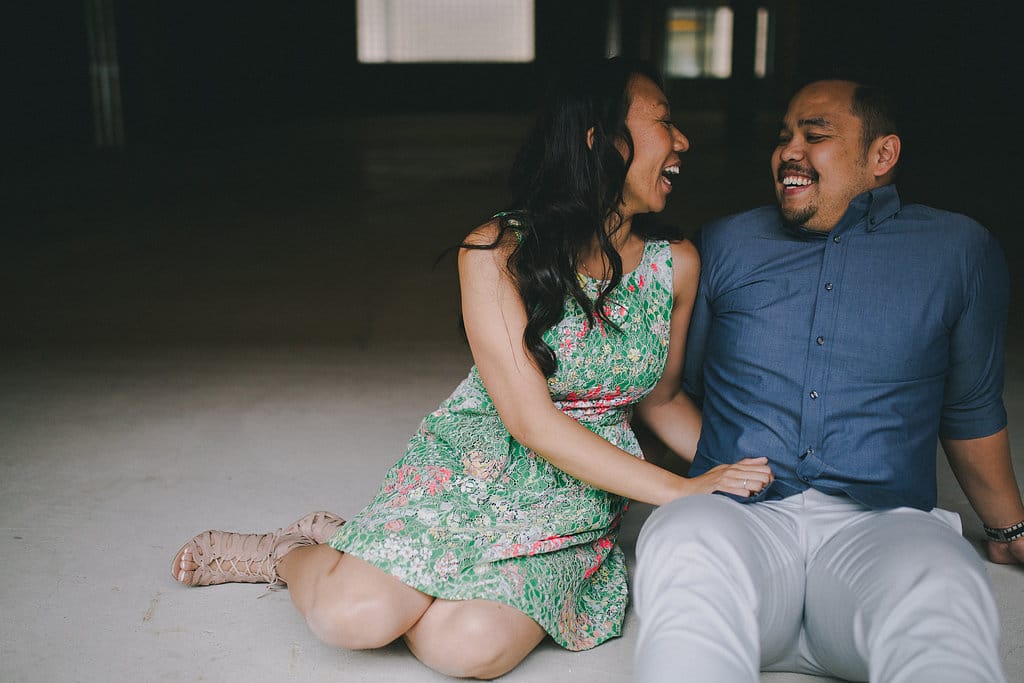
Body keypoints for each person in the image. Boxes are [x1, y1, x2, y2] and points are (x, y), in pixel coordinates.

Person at [169, 57, 773, 680]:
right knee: (353, 617)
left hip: (574, 498)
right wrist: (679, 490)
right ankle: (290, 551)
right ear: (602, 142)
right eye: (664, 121)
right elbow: (530, 422)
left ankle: (371, 558)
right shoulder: (496, 251)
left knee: (466, 647)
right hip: (472, 465)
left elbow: (662, 400)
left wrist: (752, 472)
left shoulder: (675, 264)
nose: (683, 141)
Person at [633, 78, 1024, 683]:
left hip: (881, 530)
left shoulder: (959, 251)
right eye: (783, 137)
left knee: (944, 581)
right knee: (684, 540)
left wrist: (1008, 528)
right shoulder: (726, 243)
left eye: (814, 135)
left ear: (882, 155)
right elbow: (674, 390)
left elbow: (969, 410)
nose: (789, 152)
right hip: (742, 522)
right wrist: (713, 464)